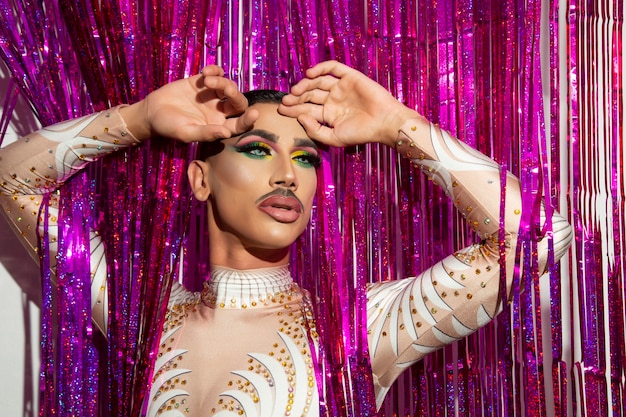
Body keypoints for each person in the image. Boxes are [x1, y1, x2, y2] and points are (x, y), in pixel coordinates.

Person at [0, 61, 572, 416]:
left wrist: (399, 126)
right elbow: (12, 183)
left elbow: (539, 235)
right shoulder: (142, 315)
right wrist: (139, 118)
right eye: (257, 149)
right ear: (200, 180)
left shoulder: (353, 327)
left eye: (305, 157)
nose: (286, 174)